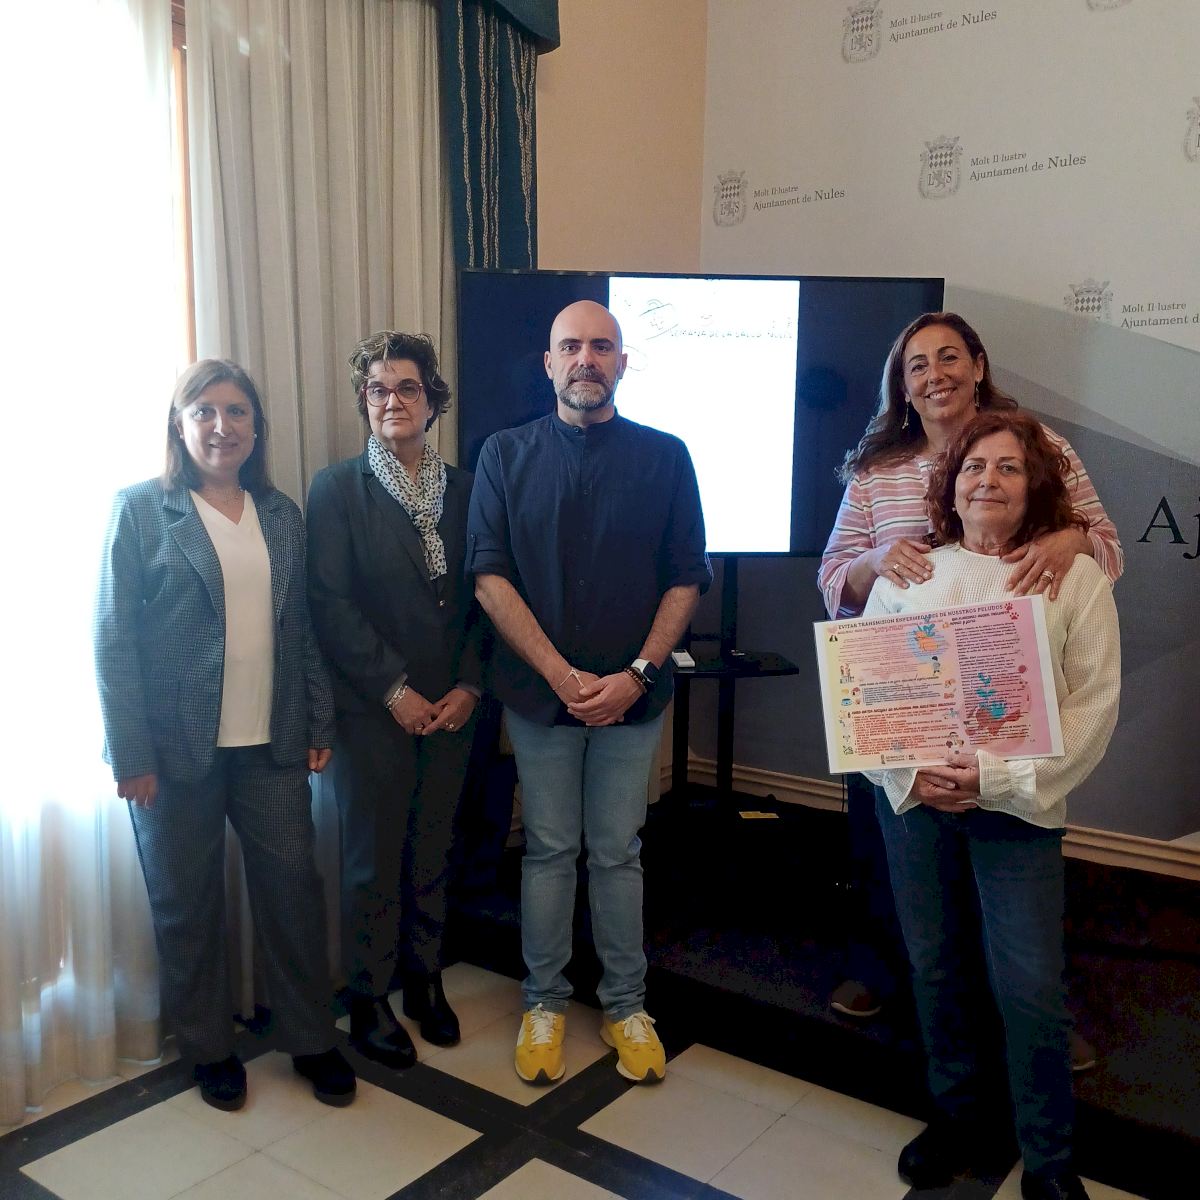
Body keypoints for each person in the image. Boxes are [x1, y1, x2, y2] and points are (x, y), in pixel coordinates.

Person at [818, 312, 1121, 1066]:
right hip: (904, 714)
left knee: (1020, 920)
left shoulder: (1040, 447)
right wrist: (877, 560)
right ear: (902, 385)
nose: (935, 375)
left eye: (949, 357)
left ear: (978, 365)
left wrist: (1067, 539)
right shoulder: (875, 471)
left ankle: (1032, 1026)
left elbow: (1103, 547)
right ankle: (915, 1013)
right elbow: (834, 577)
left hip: (1007, 722)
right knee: (911, 899)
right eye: (916, 365)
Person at [864, 410, 1120, 1199]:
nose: (988, 481)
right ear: (951, 484)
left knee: (1031, 987)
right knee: (936, 969)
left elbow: (1093, 708)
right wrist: (911, 775)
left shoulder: (1073, 578)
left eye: (1009, 468)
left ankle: (1049, 1160)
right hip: (919, 808)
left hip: (1020, 812)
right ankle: (956, 1122)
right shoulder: (910, 576)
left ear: (1034, 485)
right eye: (975, 467)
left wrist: (994, 780)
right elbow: (865, 703)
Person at [94, 359, 355, 1112]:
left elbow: (301, 629)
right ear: (179, 425)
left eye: (237, 411)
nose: (221, 426)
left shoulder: (280, 514)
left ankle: (311, 1038)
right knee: (187, 905)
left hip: (271, 743)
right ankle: (209, 1049)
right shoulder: (141, 510)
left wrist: (317, 720)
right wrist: (131, 753)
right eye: (204, 411)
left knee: (294, 894)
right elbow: (112, 639)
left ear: (255, 427)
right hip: (172, 754)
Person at [467, 300, 711, 1086]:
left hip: (632, 698)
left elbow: (685, 578)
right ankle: (543, 1002)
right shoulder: (503, 455)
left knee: (615, 853)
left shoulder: (667, 457)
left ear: (622, 363)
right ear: (548, 364)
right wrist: (560, 675)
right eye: (570, 346)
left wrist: (636, 675)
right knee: (548, 851)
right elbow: (489, 577)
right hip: (541, 698)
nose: (586, 359)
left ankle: (625, 1006)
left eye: (601, 347)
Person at [306, 331, 483, 1068]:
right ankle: (369, 997)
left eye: (407, 387)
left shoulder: (468, 489)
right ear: (364, 402)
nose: (392, 401)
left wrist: (470, 685)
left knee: (432, 848)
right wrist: (394, 689)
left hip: (453, 710)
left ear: (431, 400)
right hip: (371, 711)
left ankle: (424, 978)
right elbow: (329, 603)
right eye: (377, 389)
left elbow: (486, 593)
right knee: (371, 860)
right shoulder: (336, 490)